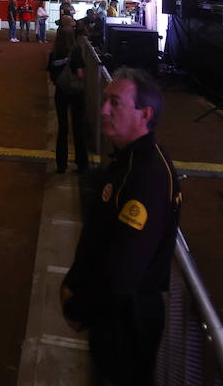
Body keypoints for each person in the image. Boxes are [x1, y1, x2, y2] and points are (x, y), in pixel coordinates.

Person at [61, 68, 180, 386]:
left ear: (145, 114)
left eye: (115, 102)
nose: (103, 110)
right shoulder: (128, 161)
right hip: (112, 313)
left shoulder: (148, 176)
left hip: (126, 320)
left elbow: (123, 268)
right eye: (104, 101)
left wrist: (80, 308)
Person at [47, 27, 90, 175]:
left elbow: (51, 75)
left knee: (62, 127)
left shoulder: (54, 53)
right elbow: (80, 73)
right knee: (78, 128)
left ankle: (61, 164)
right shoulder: (75, 51)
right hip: (76, 93)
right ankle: (82, 164)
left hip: (61, 92)